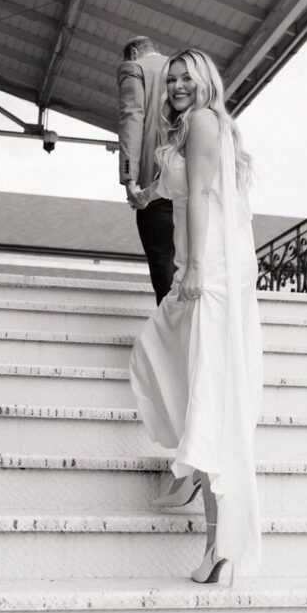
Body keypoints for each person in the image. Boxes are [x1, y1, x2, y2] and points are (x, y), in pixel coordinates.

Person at [129, 49, 263, 583]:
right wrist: (145, 194)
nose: (178, 85)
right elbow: (177, 185)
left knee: (208, 398)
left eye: (188, 78)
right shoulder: (189, 128)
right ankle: (189, 466)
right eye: (173, 79)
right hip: (202, 271)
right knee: (161, 357)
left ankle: (216, 545)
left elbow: (202, 197)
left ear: (207, 82)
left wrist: (195, 270)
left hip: (212, 274)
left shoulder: (205, 122)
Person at [117, 36, 175, 304]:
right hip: (189, 180)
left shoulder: (134, 68)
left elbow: (132, 117)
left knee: (162, 262)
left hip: (155, 183)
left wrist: (129, 178)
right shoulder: (181, 69)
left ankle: (170, 329)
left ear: (133, 52)